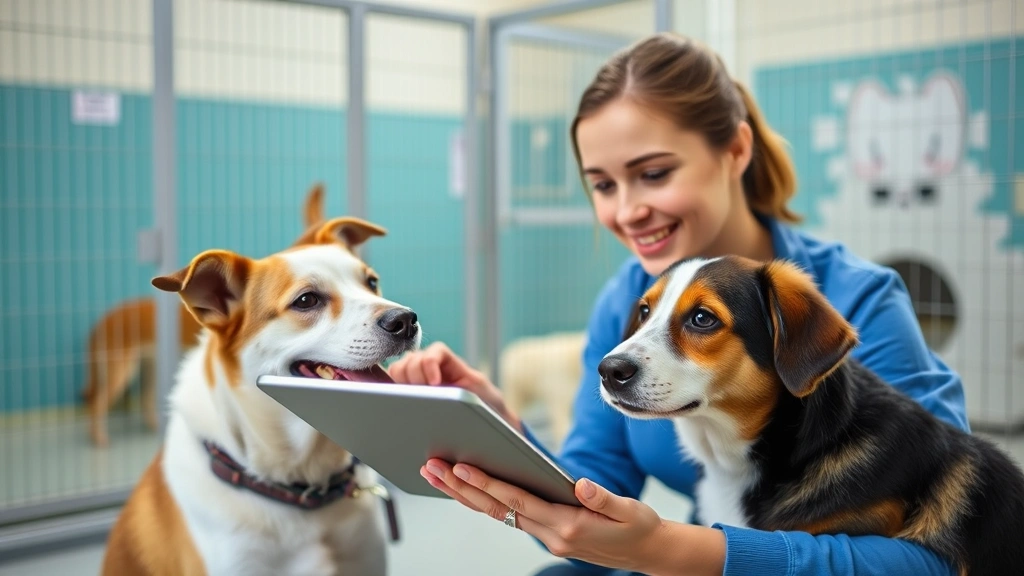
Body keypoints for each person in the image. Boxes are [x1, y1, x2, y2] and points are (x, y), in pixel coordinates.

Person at [388, 32, 969, 576]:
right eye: (604, 184)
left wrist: (681, 550)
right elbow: (591, 502)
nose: (627, 210)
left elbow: (941, 554)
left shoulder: (854, 300)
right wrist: (502, 432)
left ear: (736, 149)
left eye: (654, 173)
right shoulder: (627, 297)